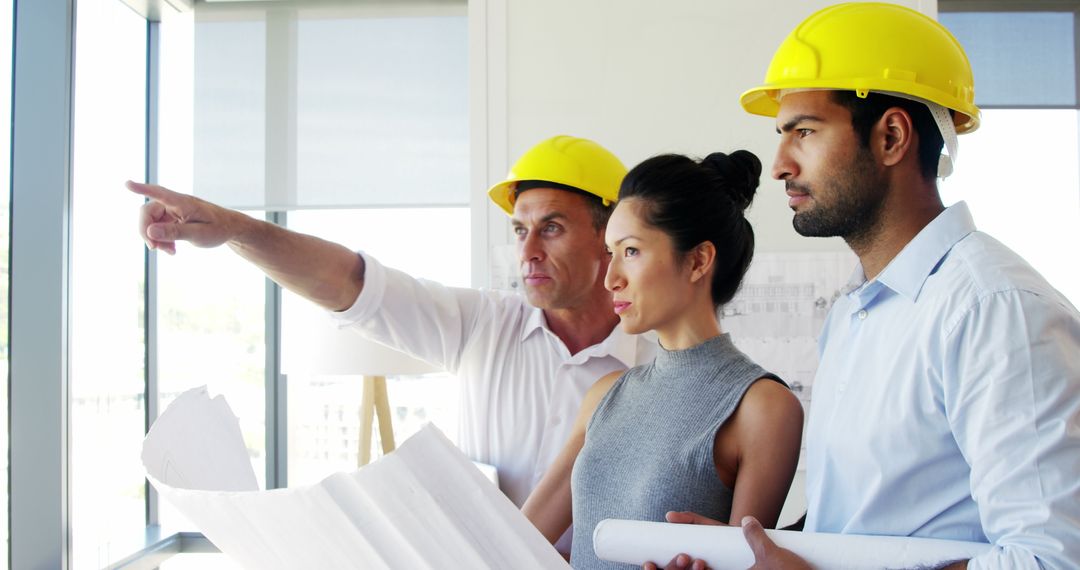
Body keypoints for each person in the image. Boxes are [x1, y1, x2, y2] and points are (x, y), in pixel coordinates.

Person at [653, 4, 1080, 569]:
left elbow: (1050, 560)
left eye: (804, 131)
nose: (778, 164)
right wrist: (752, 553)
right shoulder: (856, 312)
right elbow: (858, 527)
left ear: (892, 137)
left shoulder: (994, 310)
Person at [130, 134, 656, 510]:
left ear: (609, 235)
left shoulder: (660, 366)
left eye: (553, 228)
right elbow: (347, 283)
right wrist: (231, 228)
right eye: (520, 231)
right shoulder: (481, 324)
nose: (529, 252)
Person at [522, 150, 804, 569]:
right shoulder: (604, 396)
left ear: (697, 260)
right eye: (610, 252)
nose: (611, 277)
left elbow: (751, 564)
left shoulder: (762, 407)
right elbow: (515, 539)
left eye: (631, 251)